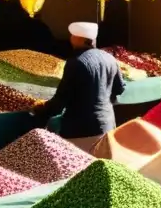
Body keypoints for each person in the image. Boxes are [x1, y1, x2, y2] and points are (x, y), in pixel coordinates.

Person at [33, 22, 125, 152]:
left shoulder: (76, 62)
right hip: (107, 125)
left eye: (72, 35)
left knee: (81, 169)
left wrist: (42, 109)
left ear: (78, 38)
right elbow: (120, 89)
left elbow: (60, 100)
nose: (70, 38)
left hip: (81, 130)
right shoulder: (109, 58)